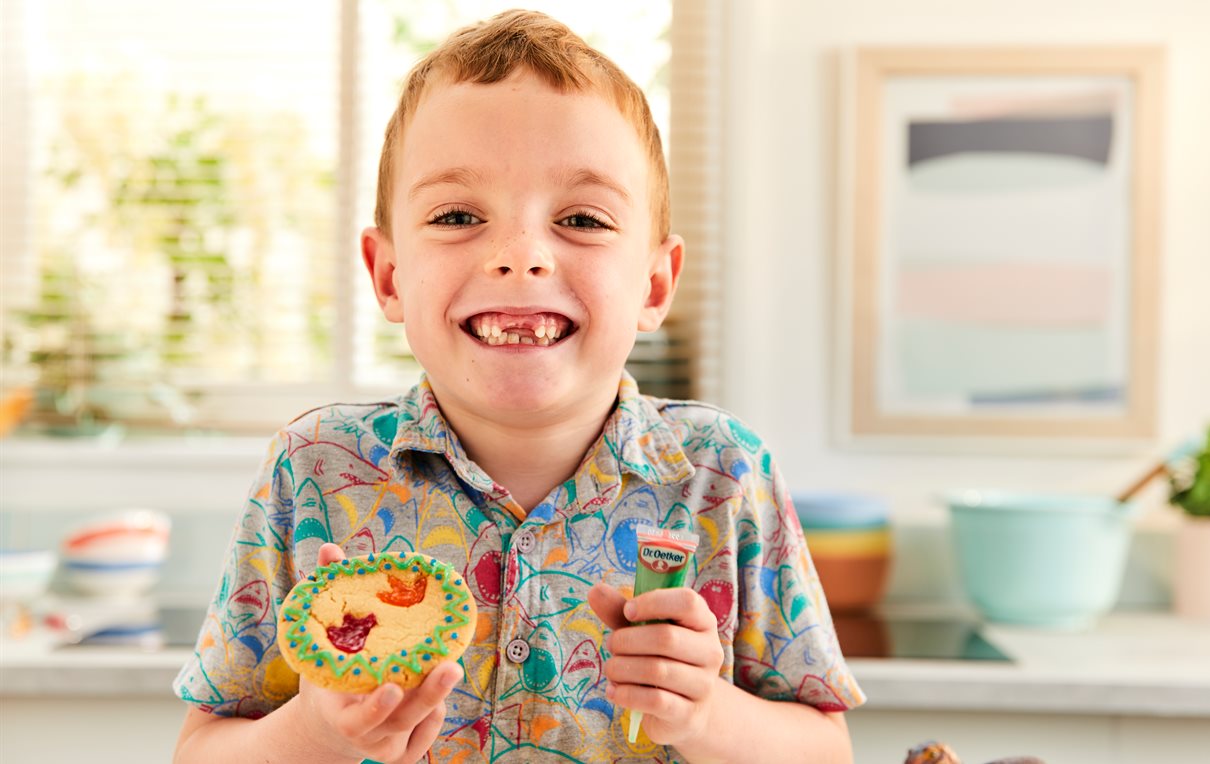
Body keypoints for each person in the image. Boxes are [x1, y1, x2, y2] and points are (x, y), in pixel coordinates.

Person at [172, 10, 864, 763]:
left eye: (582, 218)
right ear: (388, 274)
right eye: (459, 214)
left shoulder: (723, 478)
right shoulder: (313, 472)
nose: (520, 255)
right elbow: (203, 748)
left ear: (655, 283)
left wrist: (706, 715)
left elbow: (826, 748)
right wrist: (313, 731)